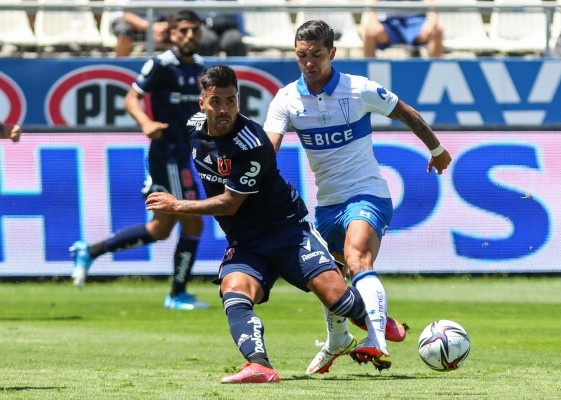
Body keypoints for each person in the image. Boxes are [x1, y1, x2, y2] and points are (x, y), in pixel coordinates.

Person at [146, 64, 373, 384]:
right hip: (245, 241)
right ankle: (260, 365)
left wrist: (177, 205)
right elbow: (167, 142)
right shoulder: (194, 125)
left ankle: (381, 325)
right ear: (202, 103)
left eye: (230, 100)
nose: (224, 109)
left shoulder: (251, 141)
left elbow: (230, 203)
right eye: (216, 101)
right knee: (233, 291)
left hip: (286, 231)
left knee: (340, 299)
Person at [263, 20, 452, 374]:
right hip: (328, 204)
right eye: (302, 55)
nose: (309, 63)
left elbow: (406, 113)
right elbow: (266, 151)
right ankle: (338, 339)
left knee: (357, 259)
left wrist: (437, 149)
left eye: (317, 54)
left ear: (332, 52)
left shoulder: (359, 89)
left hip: (368, 194)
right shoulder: (286, 99)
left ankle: (376, 341)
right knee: (330, 279)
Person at [70, 10, 208, 310]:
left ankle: (90, 251)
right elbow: (131, 97)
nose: (188, 36)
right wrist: (146, 122)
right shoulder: (161, 65)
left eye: (194, 30)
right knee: (194, 223)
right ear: (172, 34)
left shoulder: (201, 68)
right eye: (183, 30)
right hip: (166, 156)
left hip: (183, 155)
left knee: (160, 229)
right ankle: (177, 294)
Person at [362, 0, 443, 58]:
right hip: (388, 22)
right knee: (370, 31)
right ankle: (368, 74)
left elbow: (431, 4)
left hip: (416, 20)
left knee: (436, 31)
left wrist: (432, 21)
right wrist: (373, 21)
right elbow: (371, 4)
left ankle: (436, 71)